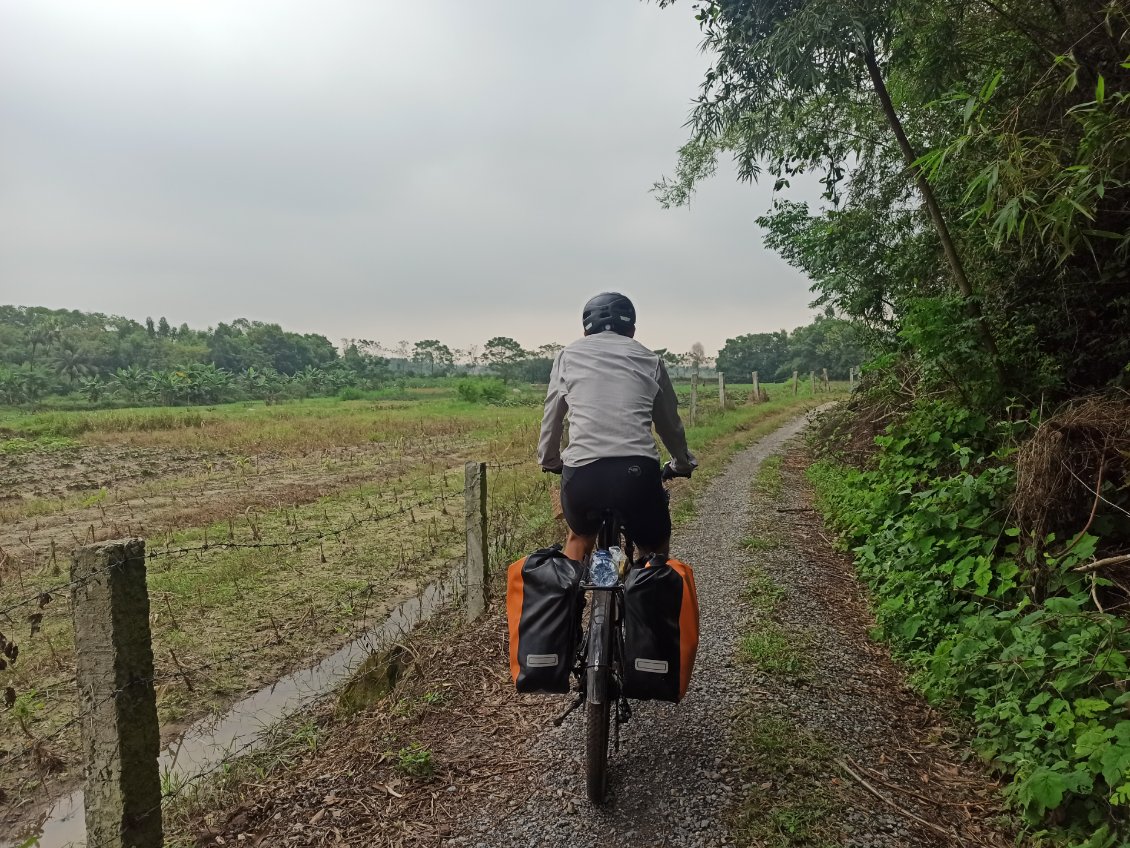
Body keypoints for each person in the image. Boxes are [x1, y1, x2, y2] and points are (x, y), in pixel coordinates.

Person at [538, 292, 697, 562]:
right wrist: (681, 463)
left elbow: (552, 416)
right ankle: (649, 593)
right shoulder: (650, 360)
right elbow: (669, 424)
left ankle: (569, 600)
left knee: (578, 537)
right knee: (655, 549)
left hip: (582, 475)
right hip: (636, 475)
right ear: (632, 330)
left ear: (586, 331)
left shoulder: (567, 357)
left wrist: (550, 460)